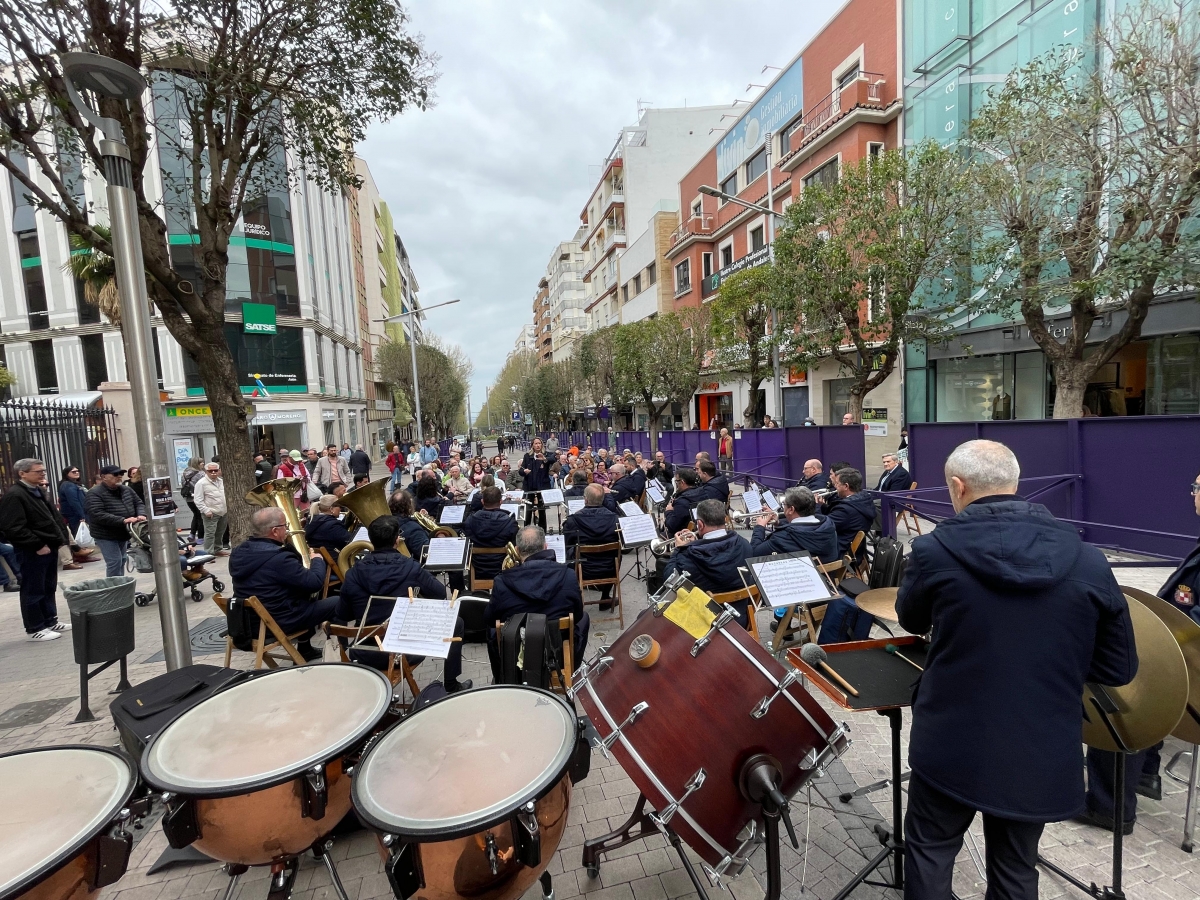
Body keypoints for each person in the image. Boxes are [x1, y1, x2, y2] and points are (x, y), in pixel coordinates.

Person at [896, 440, 1137, 898]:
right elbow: (1117, 665)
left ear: (958, 486)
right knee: (1015, 870)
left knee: (929, 850)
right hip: (1040, 745)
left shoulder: (933, 551)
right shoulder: (1087, 558)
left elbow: (911, 619)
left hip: (951, 737)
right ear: (1015, 483)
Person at [335, 515, 471, 692]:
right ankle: (451, 685)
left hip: (363, 653)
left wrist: (345, 652)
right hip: (402, 651)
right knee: (457, 622)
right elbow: (439, 593)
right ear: (397, 539)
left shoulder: (353, 573)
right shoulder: (410, 567)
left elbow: (342, 616)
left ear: (370, 540)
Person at [229, 507, 333, 659]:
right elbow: (315, 582)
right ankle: (340, 651)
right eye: (285, 526)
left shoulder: (238, 552)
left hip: (248, 623)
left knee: (303, 594)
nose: (288, 529)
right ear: (275, 531)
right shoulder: (278, 558)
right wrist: (317, 560)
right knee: (338, 602)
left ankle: (305, 650)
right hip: (277, 622)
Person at [486, 525, 588, 678]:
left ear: (517, 550)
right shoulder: (568, 575)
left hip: (516, 651)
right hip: (555, 650)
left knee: (493, 629)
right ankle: (571, 670)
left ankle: (502, 677)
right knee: (584, 619)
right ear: (545, 547)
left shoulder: (501, 581)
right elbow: (578, 614)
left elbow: (489, 618)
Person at [0, 459, 71, 642]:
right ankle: (35, 628)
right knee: (33, 589)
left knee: (48, 586)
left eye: (43, 471)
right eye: (37, 471)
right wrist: (37, 545)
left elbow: (52, 517)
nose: (42, 474)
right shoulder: (15, 495)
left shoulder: (38, 490)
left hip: (49, 547)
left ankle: (50, 620)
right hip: (32, 551)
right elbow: (13, 528)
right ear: (22, 473)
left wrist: (60, 539)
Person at [664, 499, 754, 628]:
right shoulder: (744, 544)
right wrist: (696, 543)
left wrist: (679, 549)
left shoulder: (687, 555)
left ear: (700, 524)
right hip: (739, 620)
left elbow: (669, 579)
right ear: (725, 519)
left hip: (704, 623)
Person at [84, 465, 146, 577]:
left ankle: (120, 586)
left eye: (121, 474)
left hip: (122, 532)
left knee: (122, 559)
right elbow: (97, 513)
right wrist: (123, 520)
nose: (119, 477)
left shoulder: (126, 489)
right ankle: (114, 589)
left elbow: (138, 503)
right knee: (114, 562)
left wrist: (141, 514)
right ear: (104, 477)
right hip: (105, 534)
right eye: (115, 474)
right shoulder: (94, 493)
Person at [563, 484, 619, 607]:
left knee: (567, 554)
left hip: (583, 568)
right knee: (616, 553)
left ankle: (575, 600)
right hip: (608, 568)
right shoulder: (615, 519)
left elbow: (566, 545)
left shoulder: (573, 520)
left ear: (586, 499)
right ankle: (605, 597)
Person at [749, 487, 838, 562]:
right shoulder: (828, 525)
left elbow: (754, 553)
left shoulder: (781, 537)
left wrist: (759, 527)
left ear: (791, 509)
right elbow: (804, 527)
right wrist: (778, 523)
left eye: (784, 504)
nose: (783, 507)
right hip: (827, 575)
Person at [459, 485, 519, 588]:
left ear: (482, 502)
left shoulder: (470, 520)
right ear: (501, 502)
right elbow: (515, 546)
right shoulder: (510, 522)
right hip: (502, 568)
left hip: (478, 567)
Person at [824, 467, 875, 557]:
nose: (835, 486)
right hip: (857, 551)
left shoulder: (845, 510)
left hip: (842, 553)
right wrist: (823, 506)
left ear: (846, 486)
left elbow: (824, 528)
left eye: (837, 483)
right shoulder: (865, 498)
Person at [194, 462, 229, 555]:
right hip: (211, 512)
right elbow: (198, 499)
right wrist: (206, 510)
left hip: (223, 511)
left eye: (215, 470)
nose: (213, 472)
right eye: (210, 471)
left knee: (220, 532)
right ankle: (208, 553)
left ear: (219, 471)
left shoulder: (221, 481)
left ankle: (217, 549)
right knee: (210, 533)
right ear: (206, 471)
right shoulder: (201, 483)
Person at [520, 437, 553, 529]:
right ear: (532, 445)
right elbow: (521, 471)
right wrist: (524, 471)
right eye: (536, 443)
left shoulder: (546, 454)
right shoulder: (527, 456)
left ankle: (543, 530)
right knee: (528, 510)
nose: (538, 445)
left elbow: (553, 459)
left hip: (542, 485)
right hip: (529, 485)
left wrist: (544, 459)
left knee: (542, 510)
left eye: (539, 443)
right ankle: (526, 529)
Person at [389, 489, 430, 560]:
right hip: (408, 567)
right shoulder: (413, 529)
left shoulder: (384, 524)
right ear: (409, 507)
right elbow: (426, 554)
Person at [663, 468, 701, 537]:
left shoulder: (682, 502)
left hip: (683, 536)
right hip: (698, 532)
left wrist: (669, 511)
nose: (676, 483)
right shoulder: (702, 492)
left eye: (676, 481)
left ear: (682, 482)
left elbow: (671, 526)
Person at [180, 458, 206, 541]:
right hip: (199, 497)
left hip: (188, 498)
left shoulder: (184, 473)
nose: (203, 464)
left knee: (196, 515)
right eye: (201, 462)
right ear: (196, 464)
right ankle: (201, 537)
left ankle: (192, 534)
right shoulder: (201, 474)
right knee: (201, 517)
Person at [58, 466, 87, 537]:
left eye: (78, 471)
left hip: (76, 512)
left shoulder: (74, 484)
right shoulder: (68, 485)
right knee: (78, 533)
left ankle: (81, 547)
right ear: (67, 474)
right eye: (73, 472)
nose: (77, 473)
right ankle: (79, 547)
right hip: (74, 513)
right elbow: (74, 501)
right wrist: (82, 515)